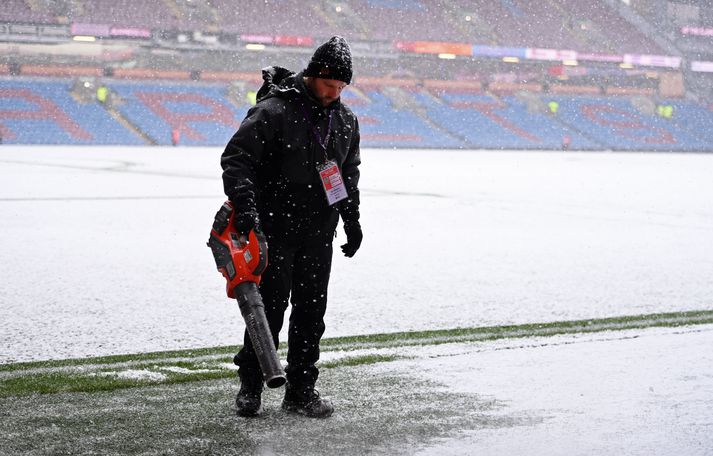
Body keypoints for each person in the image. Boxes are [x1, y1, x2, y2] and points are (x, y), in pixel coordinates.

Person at [220, 36, 362, 418]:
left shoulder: (346, 120)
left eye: (341, 87)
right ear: (313, 75)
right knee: (268, 309)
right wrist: (247, 210)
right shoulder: (274, 111)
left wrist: (352, 219)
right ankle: (251, 384)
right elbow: (237, 159)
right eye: (329, 85)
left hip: (318, 231)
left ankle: (301, 390)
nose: (335, 93)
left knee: (311, 313)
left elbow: (348, 173)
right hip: (273, 230)